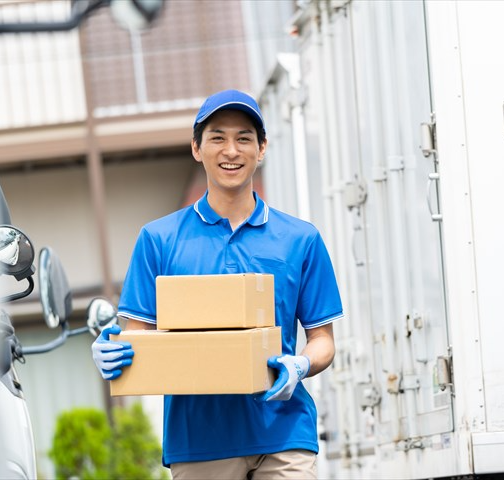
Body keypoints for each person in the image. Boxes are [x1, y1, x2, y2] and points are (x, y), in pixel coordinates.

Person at [91, 89, 343, 479]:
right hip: (199, 442)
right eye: (218, 137)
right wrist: (112, 351)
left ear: (261, 149)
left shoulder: (300, 239)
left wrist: (302, 364)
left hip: (284, 431)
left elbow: (323, 338)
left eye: (244, 138)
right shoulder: (159, 240)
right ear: (196, 148)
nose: (231, 150)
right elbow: (136, 336)